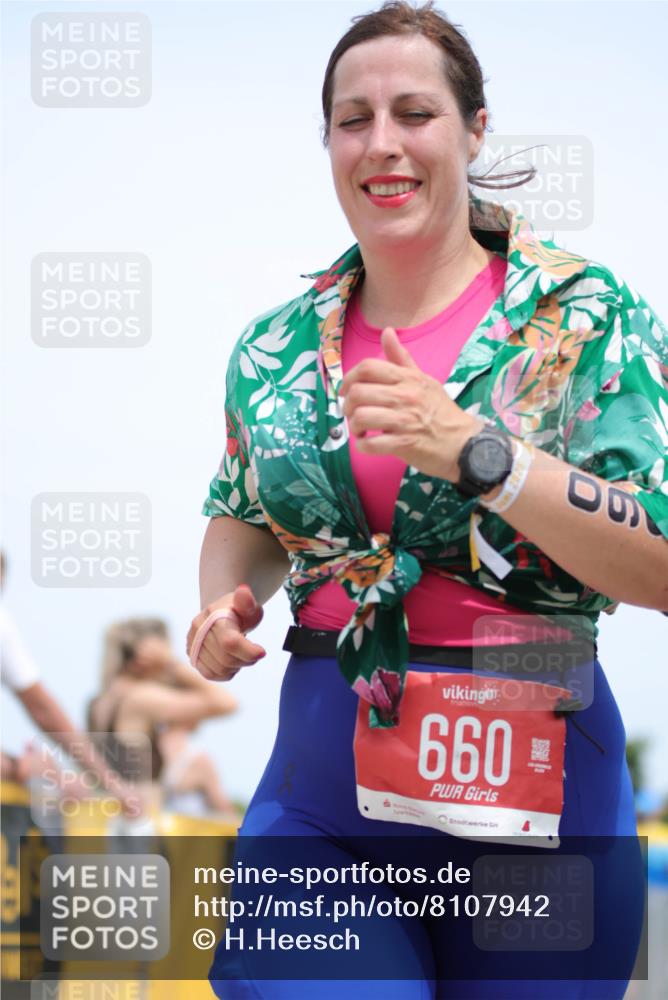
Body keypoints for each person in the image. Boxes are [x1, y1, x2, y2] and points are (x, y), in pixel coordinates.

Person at [188, 2, 668, 997]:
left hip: (538, 793)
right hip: (320, 795)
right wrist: (221, 600)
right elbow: (240, 511)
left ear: (473, 129)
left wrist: (476, 454)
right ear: (325, 139)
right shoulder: (271, 348)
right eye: (351, 118)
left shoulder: (587, 320)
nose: (382, 143)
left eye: (414, 112)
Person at [89, 618, 239, 819]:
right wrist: (170, 663)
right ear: (145, 657)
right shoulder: (141, 698)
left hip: (109, 816)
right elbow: (226, 703)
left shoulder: (101, 700)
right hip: (139, 818)